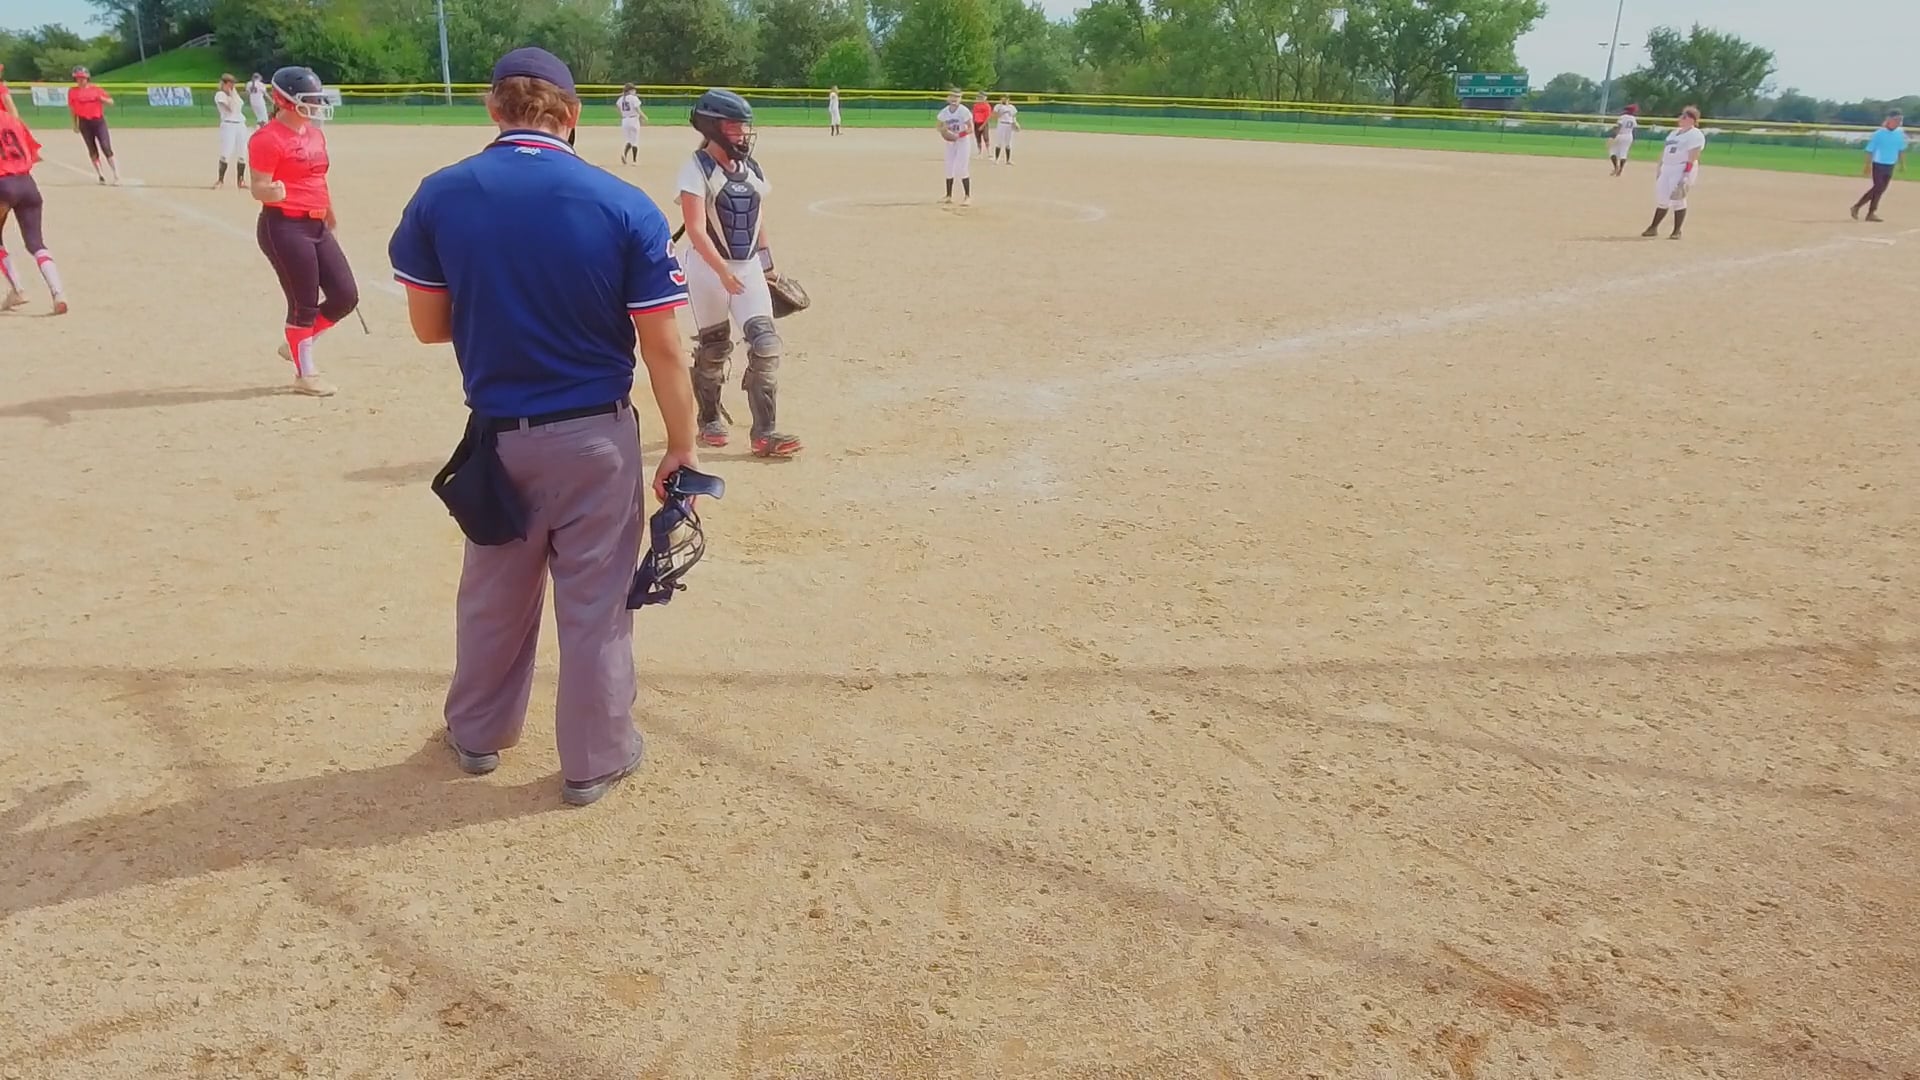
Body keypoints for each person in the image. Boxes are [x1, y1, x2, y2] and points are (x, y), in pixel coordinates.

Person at [388, 47, 700, 807]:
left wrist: (503, 307)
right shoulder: (621, 202)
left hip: (500, 436)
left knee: (494, 593)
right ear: (573, 115)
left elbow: (429, 327)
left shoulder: (442, 193)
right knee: (596, 603)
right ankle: (595, 757)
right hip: (597, 436)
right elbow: (663, 346)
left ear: (493, 108)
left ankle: (477, 733)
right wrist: (683, 444)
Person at [678, 89, 802, 458]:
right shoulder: (697, 168)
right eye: (735, 126)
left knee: (765, 344)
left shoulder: (753, 169)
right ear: (713, 127)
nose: (743, 133)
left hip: (747, 268)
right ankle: (709, 418)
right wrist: (721, 271)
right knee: (715, 347)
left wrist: (767, 266)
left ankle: (765, 433)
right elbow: (695, 229)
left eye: (744, 126)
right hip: (707, 269)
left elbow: (757, 218)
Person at [249, 66, 359, 397]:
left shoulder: (314, 134)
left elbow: (318, 178)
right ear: (285, 100)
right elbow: (258, 186)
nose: (316, 105)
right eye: (309, 99)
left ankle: (298, 341)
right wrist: (271, 191)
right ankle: (305, 373)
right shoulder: (267, 138)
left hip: (315, 223)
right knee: (303, 303)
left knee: (345, 295)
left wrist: (329, 212)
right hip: (284, 226)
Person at [0, 108, 68, 314]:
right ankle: (58, 293)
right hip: (27, 184)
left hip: (3, 184)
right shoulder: (13, 120)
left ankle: (18, 289)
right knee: (36, 244)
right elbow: (34, 155)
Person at [1643, 106, 1705, 240]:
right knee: (1662, 198)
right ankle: (1653, 228)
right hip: (1667, 167)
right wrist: (1659, 167)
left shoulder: (1695, 134)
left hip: (1681, 167)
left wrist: (1686, 173)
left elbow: (1694, 154)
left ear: (1692, 119)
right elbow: (1665, 151)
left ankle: (1677, 231)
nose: (1680, 118)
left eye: (1684, 116)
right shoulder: (1674, 133)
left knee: (1678, 199)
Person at [1852, 110, 1908, 223]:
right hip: (1879, 164)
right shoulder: (1879, 134)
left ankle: (1871, 213)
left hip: (1890, 164)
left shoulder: (1900, 133)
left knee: (1881, 189)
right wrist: (1867, 165)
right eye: (1896, 120)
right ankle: (1857, 206)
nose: (1898, 122)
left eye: (1900, 120)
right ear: (1889, 119)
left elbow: (1901, 150)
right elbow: (1869, 150)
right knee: (1878, 187)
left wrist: (1902, 164)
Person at [67, 67, 118, 185]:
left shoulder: (96, 90)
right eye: (78, 78)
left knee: (106, 146)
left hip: (98, 121)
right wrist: (74, 124)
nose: (80, 80)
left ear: (87, 78)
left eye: (82, 78)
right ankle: (101, 175)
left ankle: (116, 174)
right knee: (92, 149)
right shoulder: (72, 91)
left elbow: (111, 102)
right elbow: (72, 109)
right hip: (84, 122)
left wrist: (101, 99)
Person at [212, 73, 249, 190]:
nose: (232, 85)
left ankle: (241, 180)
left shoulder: (234, 94)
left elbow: (239, 107)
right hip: (228, 125)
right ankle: (220, 180)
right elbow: (231, 108)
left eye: (233, 83)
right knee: (226, 152)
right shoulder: (220, 95)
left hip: (241, 124)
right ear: (224, 83)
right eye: (230, 83)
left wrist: (233, 94)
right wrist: (230, 94)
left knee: (242, 152)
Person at [936, 89, 973, 205]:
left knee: (962, 168)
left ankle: (967, 196)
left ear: (960, 99)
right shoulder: (944, 112)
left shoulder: (964, 111)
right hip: (950, 142)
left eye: (957, 97)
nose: (954, 99)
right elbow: (938, 127)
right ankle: (948, 196)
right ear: (948, 98)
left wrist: (958, 135)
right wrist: (944, 131)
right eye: (952, 96)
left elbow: (971, 128)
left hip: (963, 142)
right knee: (949, 167)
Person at [616, 83, 646, 165]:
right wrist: (643, 116)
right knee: (635, 141)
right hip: (634, 120)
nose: (635, 91)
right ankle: (634, 161)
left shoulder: (621, 99)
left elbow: (618, 107)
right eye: (634, 90)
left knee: (629, 140)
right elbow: (637, 109)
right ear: (630, 90)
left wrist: (622, 115)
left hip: (625, 120)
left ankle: (624, 154)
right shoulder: (634, 98)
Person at [1606, 103, 1638, 177]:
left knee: (1612, 151)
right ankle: (1620, 169)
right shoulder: (1633, 118)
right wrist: (1634, 138)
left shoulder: (1622, 117)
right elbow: (1634, 129)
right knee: (1624, 153)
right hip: (1629, 136)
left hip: (1620, 135)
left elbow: (1619, 127)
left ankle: (1616, 168)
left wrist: (1613, 136)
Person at [992, 95, 1020, 164]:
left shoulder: (1012, 107)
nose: (1004, 100)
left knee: (1008, 143)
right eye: (1003, 99)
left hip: (1009, 125)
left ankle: (1008, 160)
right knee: (999, 142)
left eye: (1006, 99)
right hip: (1001, 124)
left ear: (1008, 99)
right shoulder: (998, 106)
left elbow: (1013, 117)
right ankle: (996, 159)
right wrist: (1001, 112)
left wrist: (1016, 124)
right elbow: (994, 116)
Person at [971, 91, 992, 157]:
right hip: (976, 123)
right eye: (979, 97)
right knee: (978, 138)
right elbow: (973, 114)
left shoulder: (987, 106)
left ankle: (989, 152)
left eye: (982, 97)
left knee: (986, 137)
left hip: (983, 123)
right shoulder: (975, 105)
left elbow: (988, 117)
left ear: (985, 98)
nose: (980, 98)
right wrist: (973, 122)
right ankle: (979, 152)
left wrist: (983, 126)